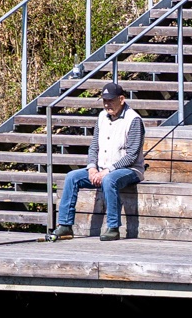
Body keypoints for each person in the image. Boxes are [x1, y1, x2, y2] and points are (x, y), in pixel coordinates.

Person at [50, 82, 143, 242]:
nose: (107, 104)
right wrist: (92, 167)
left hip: (130, 170)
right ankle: (65, 225)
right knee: (72, 177)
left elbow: (132, 156)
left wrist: (107, 171)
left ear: (121, 99)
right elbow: (94, 146)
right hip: (101, 168)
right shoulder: (101, 117)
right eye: (104, 101)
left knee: (109, 179)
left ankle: (113, 227)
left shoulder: (133, 120)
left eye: (111, 100)